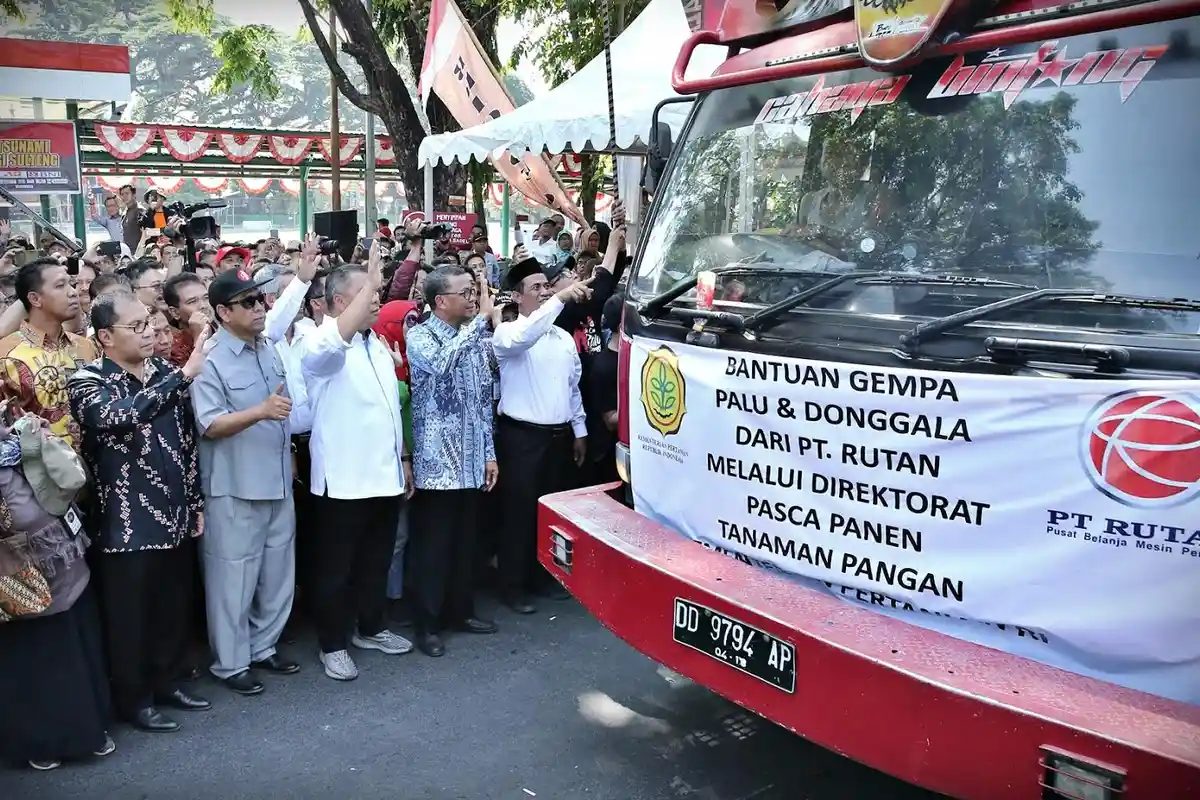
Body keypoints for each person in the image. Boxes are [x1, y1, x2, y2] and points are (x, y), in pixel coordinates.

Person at [67, 291, 212, 733]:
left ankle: (168, 682)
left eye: (148, 323)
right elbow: (120, 416)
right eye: (136, 327)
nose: (149, 333)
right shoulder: (88, 381)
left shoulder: (163, 372)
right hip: (124, 521)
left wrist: (194, 501)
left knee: (173, 607)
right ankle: (135, 699)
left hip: (174, 511)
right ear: (105, 337)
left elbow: (186, 444)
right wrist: (183, 377)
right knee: (130, 617)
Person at [299, 242, 414, 681]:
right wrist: (371, 281)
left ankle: (371, 627)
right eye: (368, 293)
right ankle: (333, 644)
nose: (377, 299)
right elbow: (332, 345)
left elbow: (388, 409)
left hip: (384, 475)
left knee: (375, 561)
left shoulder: (375, 342)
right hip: (343, 482)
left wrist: (402, 459)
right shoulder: (319, 341)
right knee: (336, 570)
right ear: (340, 302)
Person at [191, 268, 299, 696]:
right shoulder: (210, 358)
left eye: (261, 300)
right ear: (223, 312)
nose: (260, 308)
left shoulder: (268, 346)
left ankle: (263, 646)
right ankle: (231, 663)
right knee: (232, 581)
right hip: (234, 486)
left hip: (277, 479)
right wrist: (260, 412)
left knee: (277, 574)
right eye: (249, 302)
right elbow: (210, 424)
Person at [0, 414, 114, 771]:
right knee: (35, 651)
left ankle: (88, 729)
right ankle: (43, 741)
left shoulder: (15, 438)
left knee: (73, 641)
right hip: (17, 566)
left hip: (61, 554)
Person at [404, 266, 499, 657]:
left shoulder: (473, 337)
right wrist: (479, 323)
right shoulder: (420, 336)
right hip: (437, 465)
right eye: (466, 292)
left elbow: (482, 400)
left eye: (474, 291)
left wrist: (489, 453)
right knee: (433, 548)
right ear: (441, 301)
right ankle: (427, 624)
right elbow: (443, 363)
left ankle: (461, 612)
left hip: (472, 459)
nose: (474, 298)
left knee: (464, 544)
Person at [492, 257, 592, 613]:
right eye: (536, 287)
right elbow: (527, 335)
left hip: (558, 438)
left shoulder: (562, 338)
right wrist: (561, 299)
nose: (545, 292)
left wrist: (579, 430)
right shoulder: (508, 333)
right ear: (517, 297)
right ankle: (512, 586)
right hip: (522, 439)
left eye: (546, 286)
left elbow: (572, 388)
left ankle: (544, 577)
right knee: (518, 515)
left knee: (551, 515)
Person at [0, 258, 99, 448]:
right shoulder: (6, 355)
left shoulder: (86, 346)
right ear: (35, 299)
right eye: (60, 286)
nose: (73, 292)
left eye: (71, 284)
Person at [164, 272, 213, 367]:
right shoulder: (172, 350)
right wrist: (199, 339)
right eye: (192, 301)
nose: (203, 305)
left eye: (206, 298)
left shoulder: (227, 328)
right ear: (175, 312)